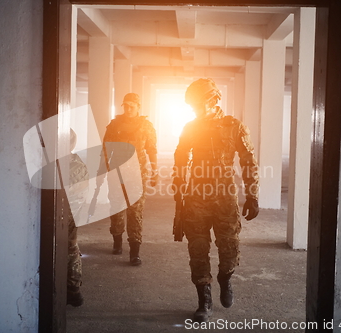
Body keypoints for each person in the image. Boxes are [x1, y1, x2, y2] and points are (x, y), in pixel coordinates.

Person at [172, 78, 259, 322]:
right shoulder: (191, 127)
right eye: (194, 106)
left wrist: (252, 194)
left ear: (213, 100)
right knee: (198, 249)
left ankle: (225, 277)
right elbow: (180, 156)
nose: (196, 110)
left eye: (199, 104)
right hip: (196, 198)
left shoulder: (234, 127)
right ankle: (204, 300)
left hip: (225, 198)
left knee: (228, 248)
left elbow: (248, 161)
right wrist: (178, 185)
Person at [97, 93, 158, 266]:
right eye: (126, 106)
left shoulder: (146, 126)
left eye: (132, 106)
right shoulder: (114, 125)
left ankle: (134, 251)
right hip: (116, 174)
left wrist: (155, 170)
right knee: (116, 209)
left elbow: (152, 149)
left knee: (135, 212)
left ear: (139, 107)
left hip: (137, 176)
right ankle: (117, 241)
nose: (128, 109)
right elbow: (105, 149)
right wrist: (102, 172)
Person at [66, 128, 89, 307]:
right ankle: (74, 290)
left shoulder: (64, 165)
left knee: (68, 247)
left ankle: (72, 290)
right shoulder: (78, 162)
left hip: (66, 214)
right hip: (75, 214)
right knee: (72, 247)